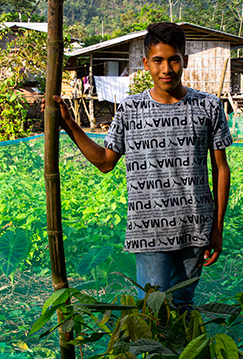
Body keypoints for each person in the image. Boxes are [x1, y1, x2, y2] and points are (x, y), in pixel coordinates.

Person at [53, 22, 231, 308]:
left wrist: (217, 227)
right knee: (150, 310)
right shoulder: (130, 109)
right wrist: (69, 124)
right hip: (150, 230)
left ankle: (180, 354)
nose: (167, 69)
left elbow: (221, 168)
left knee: (183, 305)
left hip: (196, 227)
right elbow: (105, 162)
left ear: (184, 60)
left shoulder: (208, 106)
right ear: (145, 62)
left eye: (174, 59)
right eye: (158, 60)